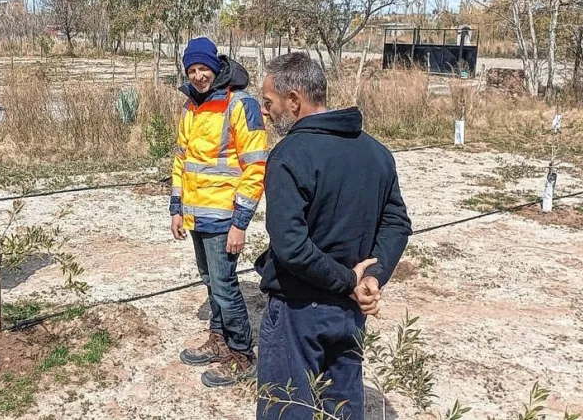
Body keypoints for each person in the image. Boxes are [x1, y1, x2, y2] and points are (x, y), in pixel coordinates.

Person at [254, 52, 412, 420]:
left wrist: (351, 281)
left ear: (294, 100)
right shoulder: (376, 152)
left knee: (287, 409)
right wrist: (370, 278)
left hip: (299, 311)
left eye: (269, 102)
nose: (265, 112)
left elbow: (290, 247)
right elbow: (397, 224)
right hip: (351, 312)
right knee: (343, 408)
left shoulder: (289, 156)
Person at [170, 37, 268, 388]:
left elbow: (256, 168)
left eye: (203, 68)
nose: (197, 76)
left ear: (216, 66)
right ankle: (218, 339)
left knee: (225, 285)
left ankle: (242, 354)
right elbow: (181, 158)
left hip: (224, 218)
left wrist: (240, 223)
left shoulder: (240, 105)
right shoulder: (190, 107)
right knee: (210, 281)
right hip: (196, 216)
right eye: (191, 69)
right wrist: (176, 207)